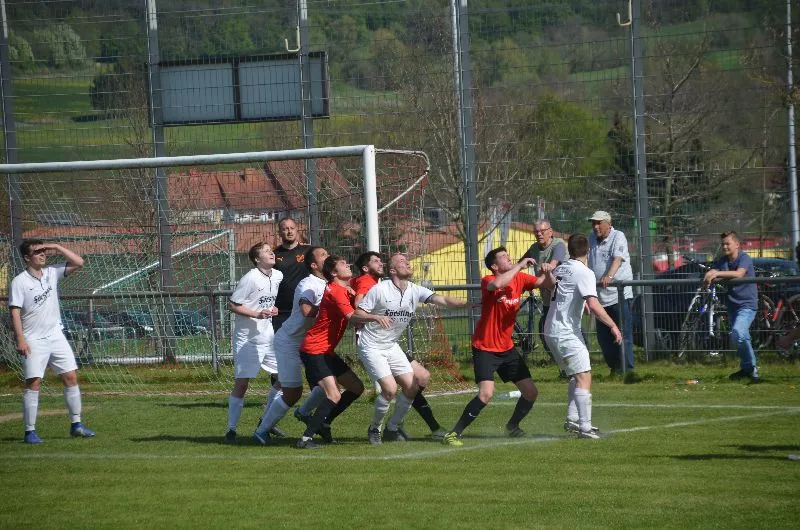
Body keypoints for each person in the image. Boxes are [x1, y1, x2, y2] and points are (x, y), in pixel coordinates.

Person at [442, 247, 554, 446]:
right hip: (485, 347)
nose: (509, 258)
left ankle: (512, 426)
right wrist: (520, 265)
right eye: (503, 257)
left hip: (507, 348)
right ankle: (453, 433)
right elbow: (497, 284)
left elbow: (545, 283)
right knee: (486, 394)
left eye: (508, 255)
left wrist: (547, 271)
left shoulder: (520, 278)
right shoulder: (488, 280)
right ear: (494, 266)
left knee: (531, 392)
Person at [354, 253, 468, 444]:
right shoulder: (380, 289)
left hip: (391, 345)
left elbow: (443, 300)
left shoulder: (415, 290)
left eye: (407, 260)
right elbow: (356, 315)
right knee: (390, 389)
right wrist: (375, 317)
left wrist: (469, 304)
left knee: (413, 386)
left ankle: (392, 428)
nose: (407, 263)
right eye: (401, 261)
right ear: (392, 270)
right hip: (371, 345)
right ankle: (374, 428)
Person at [295, 256, 391, 449]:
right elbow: (351, 316)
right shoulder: (336, 291)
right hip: (314, 350)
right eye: (342, 264)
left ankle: (324, 422)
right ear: (333, 273)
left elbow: (358, 292)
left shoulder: (342, 289)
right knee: (334, 395)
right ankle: (305, 439)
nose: (348, 265)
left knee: (356, 388)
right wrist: (375, 317)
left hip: (326, 351)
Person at [9, 239, 95, 444]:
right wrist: (21, 339)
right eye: (37, 252)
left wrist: (56, 247)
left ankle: (76, 425)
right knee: (33, 382)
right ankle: (30, 431)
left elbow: (79, 262)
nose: (42, 254)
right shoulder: (19, 282)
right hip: (33, 339)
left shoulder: (51, 272)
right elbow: (15, 311)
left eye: (43, 251)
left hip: (56, 335)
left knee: (71, 377)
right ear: (27, 258)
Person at [544, 234, 622, 439]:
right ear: (588, 251)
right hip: (565, 331)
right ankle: (585, 428)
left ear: (569, 251)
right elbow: (594, 305)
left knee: (576, 375)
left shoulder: (561, 268)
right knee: (584, 375)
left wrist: (581, 303)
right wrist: (613, 325)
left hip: (552, 329)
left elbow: (563, 292)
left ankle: (573, 419)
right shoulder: (585, 272)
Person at [253, 246, 328, 444]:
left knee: (328, 384)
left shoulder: (329, 283)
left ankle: (303, 413)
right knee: (293, 392)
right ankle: (261, 431)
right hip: (290, 342)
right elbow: (306, 310)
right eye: (323, 255)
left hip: (311, 344)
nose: (328, 257)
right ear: (314, 265)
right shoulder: (308, 283)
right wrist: (329, 308)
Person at [224, 243, 283, 444]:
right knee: (242, 384)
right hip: (247, 339)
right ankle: (231, 430)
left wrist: (272, 309)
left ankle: (265, 420)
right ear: (257, 259)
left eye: (271, 250)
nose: (271, 252)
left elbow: (267, 301)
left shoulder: (277, 275)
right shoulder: (250, 277)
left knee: (284, 379)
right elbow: (233, 305)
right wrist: (257, 314)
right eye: (266, 251)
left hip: (268, 337)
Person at [586, 210, 637, 381]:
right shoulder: (591, 239)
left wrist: (609, 276)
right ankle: (614, 369)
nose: (595, 226)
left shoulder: (618, 236)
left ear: (608, 223)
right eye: (593, 223)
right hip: (600, 298)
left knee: (624, 334)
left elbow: (618, 259)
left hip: (619, 296)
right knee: (604, 338)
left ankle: (627, 370)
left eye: (598, 223)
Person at [703, 231, 760, 383]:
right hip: (732, 305)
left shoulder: (744, 258)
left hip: (747, 304)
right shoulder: (723, 261)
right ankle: (748, 368)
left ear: (737, 245)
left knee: (738, 334)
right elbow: (714, 271)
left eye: (727, 243)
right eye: (722, 244)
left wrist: (716, 273)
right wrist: (710, 274)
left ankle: (750, 368)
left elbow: (739, 274)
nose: (724, 247)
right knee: (742, 336)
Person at [520, 219, 567, 350]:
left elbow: (555, 261)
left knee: (566, 330)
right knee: (545, 330)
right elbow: (520, 264)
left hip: (562, 299)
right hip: (547, 300)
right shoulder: (534, 248)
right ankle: (556, 357)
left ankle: (581, 355)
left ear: (550, 232)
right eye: (536, 232)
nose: (539, 234)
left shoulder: (558, 244)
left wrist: (549, 266)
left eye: (542, 231)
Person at [272, 217, 311, 332]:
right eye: (285, 229)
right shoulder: (273, 255)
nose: (289, 231)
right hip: (281, 311)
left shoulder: (309, 251)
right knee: (280, 342)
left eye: (292, 228)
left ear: (297, 229)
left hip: (304, 308)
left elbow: (325, 269)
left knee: (305, 342)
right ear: (280, 232)